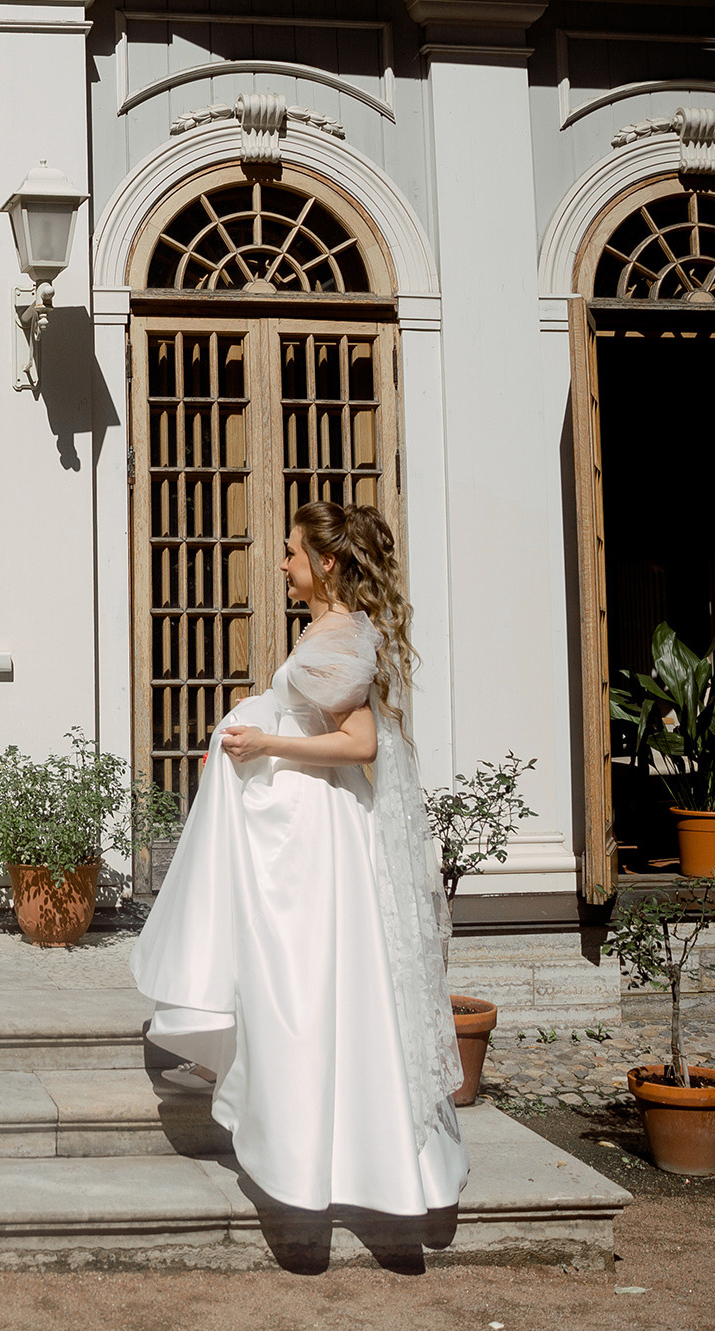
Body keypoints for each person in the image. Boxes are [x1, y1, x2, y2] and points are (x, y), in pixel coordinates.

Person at [130, 500, 466, 1216]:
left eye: (291, 553)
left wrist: (265, 743)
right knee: (305, 980)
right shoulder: (330, 629)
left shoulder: (341, 636)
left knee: (309, 980)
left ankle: (328, 1146)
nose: (282, 564)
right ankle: (319, 1136)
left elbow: (361, 742)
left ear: (327, 562)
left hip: (323, 831)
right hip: (309, 825)